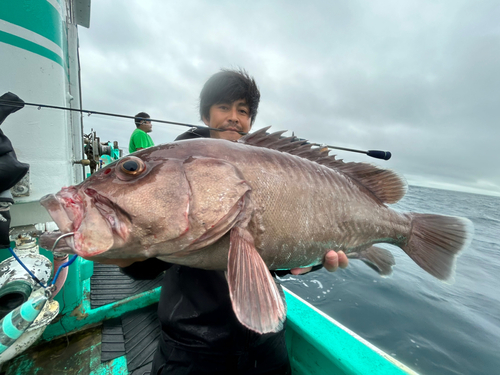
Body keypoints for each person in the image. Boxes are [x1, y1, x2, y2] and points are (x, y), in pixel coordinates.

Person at [112, 70, 349, 375]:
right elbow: (145, 266)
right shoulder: (170, 168)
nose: (234, 118)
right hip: (191, 345)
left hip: (265, 342)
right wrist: (127, 256)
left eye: (243, 111)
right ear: (205, 114)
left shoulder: (271, 167)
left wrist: (312, 259)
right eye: (224, 107)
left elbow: (279, 254)